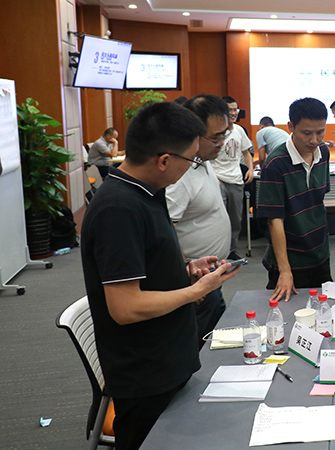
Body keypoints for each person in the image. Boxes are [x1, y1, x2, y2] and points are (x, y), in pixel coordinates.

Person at [81, 102, 240, 450]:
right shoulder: (118, 208)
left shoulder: (146, 192)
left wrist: (185, 272)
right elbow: (125, 307)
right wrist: (196, 290)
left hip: (168, 359)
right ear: (165, 160)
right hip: (146, 375)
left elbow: (143, 268)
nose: (192, 167)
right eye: (191, 160)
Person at [166, 94, 231, 347]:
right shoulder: (180, 175)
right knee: (199, 347)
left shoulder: (202, 162)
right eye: (215, 138)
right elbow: (167, 229)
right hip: (195, 281)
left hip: (210, 275)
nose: (221, 143)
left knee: (214, 338)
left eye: (225, 134)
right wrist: (186, 278)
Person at [257, 98, 333, 301]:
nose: (314, 140)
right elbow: (275, 220)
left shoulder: (323, 152)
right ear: (290, 126)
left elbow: (318, 200)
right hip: (290, 259)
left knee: (323, 311)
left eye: (320, 132)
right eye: (307, 133)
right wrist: (285, 270)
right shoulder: (275, 164)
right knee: (286, 313)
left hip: (319, 254)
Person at [211, 96, 255, 259]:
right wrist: (212, 177)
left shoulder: (239, 130)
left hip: (236, 180)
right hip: (218, 179)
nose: (233, 113)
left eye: (235, 109)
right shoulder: (215, 131)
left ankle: (231, 250)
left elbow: (246, 152)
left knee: (236, 219)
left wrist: (250, 169)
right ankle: (219, 252)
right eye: (229, 110)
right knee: (220, 218)